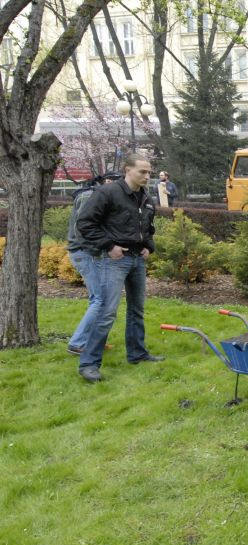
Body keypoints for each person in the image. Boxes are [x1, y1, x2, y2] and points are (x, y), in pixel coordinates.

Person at [75, 154, 164, 383]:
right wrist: (109, 246)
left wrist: (149, 246)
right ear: (127, 170)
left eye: (149, 172)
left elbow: (148, 227)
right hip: (114, 260)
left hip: (137, 260)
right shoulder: (107, 193)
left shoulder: (145, 197)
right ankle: (89, 364)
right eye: (142, 171)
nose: (147, 176)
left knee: (137, 310)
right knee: (107, 312)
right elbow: (85, 223)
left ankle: (137, 354)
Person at [66, 172, 122, 355]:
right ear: (107, 183)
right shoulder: (88, 196)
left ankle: (92, 341)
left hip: (91, 253)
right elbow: (83, 228)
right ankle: (77, 343)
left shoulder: (99, 197)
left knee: (99, 299)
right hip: (85, 253)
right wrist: (100, 250)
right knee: (99, 299)